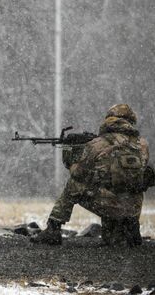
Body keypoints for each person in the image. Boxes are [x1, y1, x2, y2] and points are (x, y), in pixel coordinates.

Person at [32, 104, 153, 246]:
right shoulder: (142, 145)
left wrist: (70, 157)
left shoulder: (97, 144)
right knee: (114, 241)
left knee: (74, 184)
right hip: (131, 208)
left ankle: (53, 229)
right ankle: (130, 228)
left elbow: (78, 173)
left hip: (108, 205)